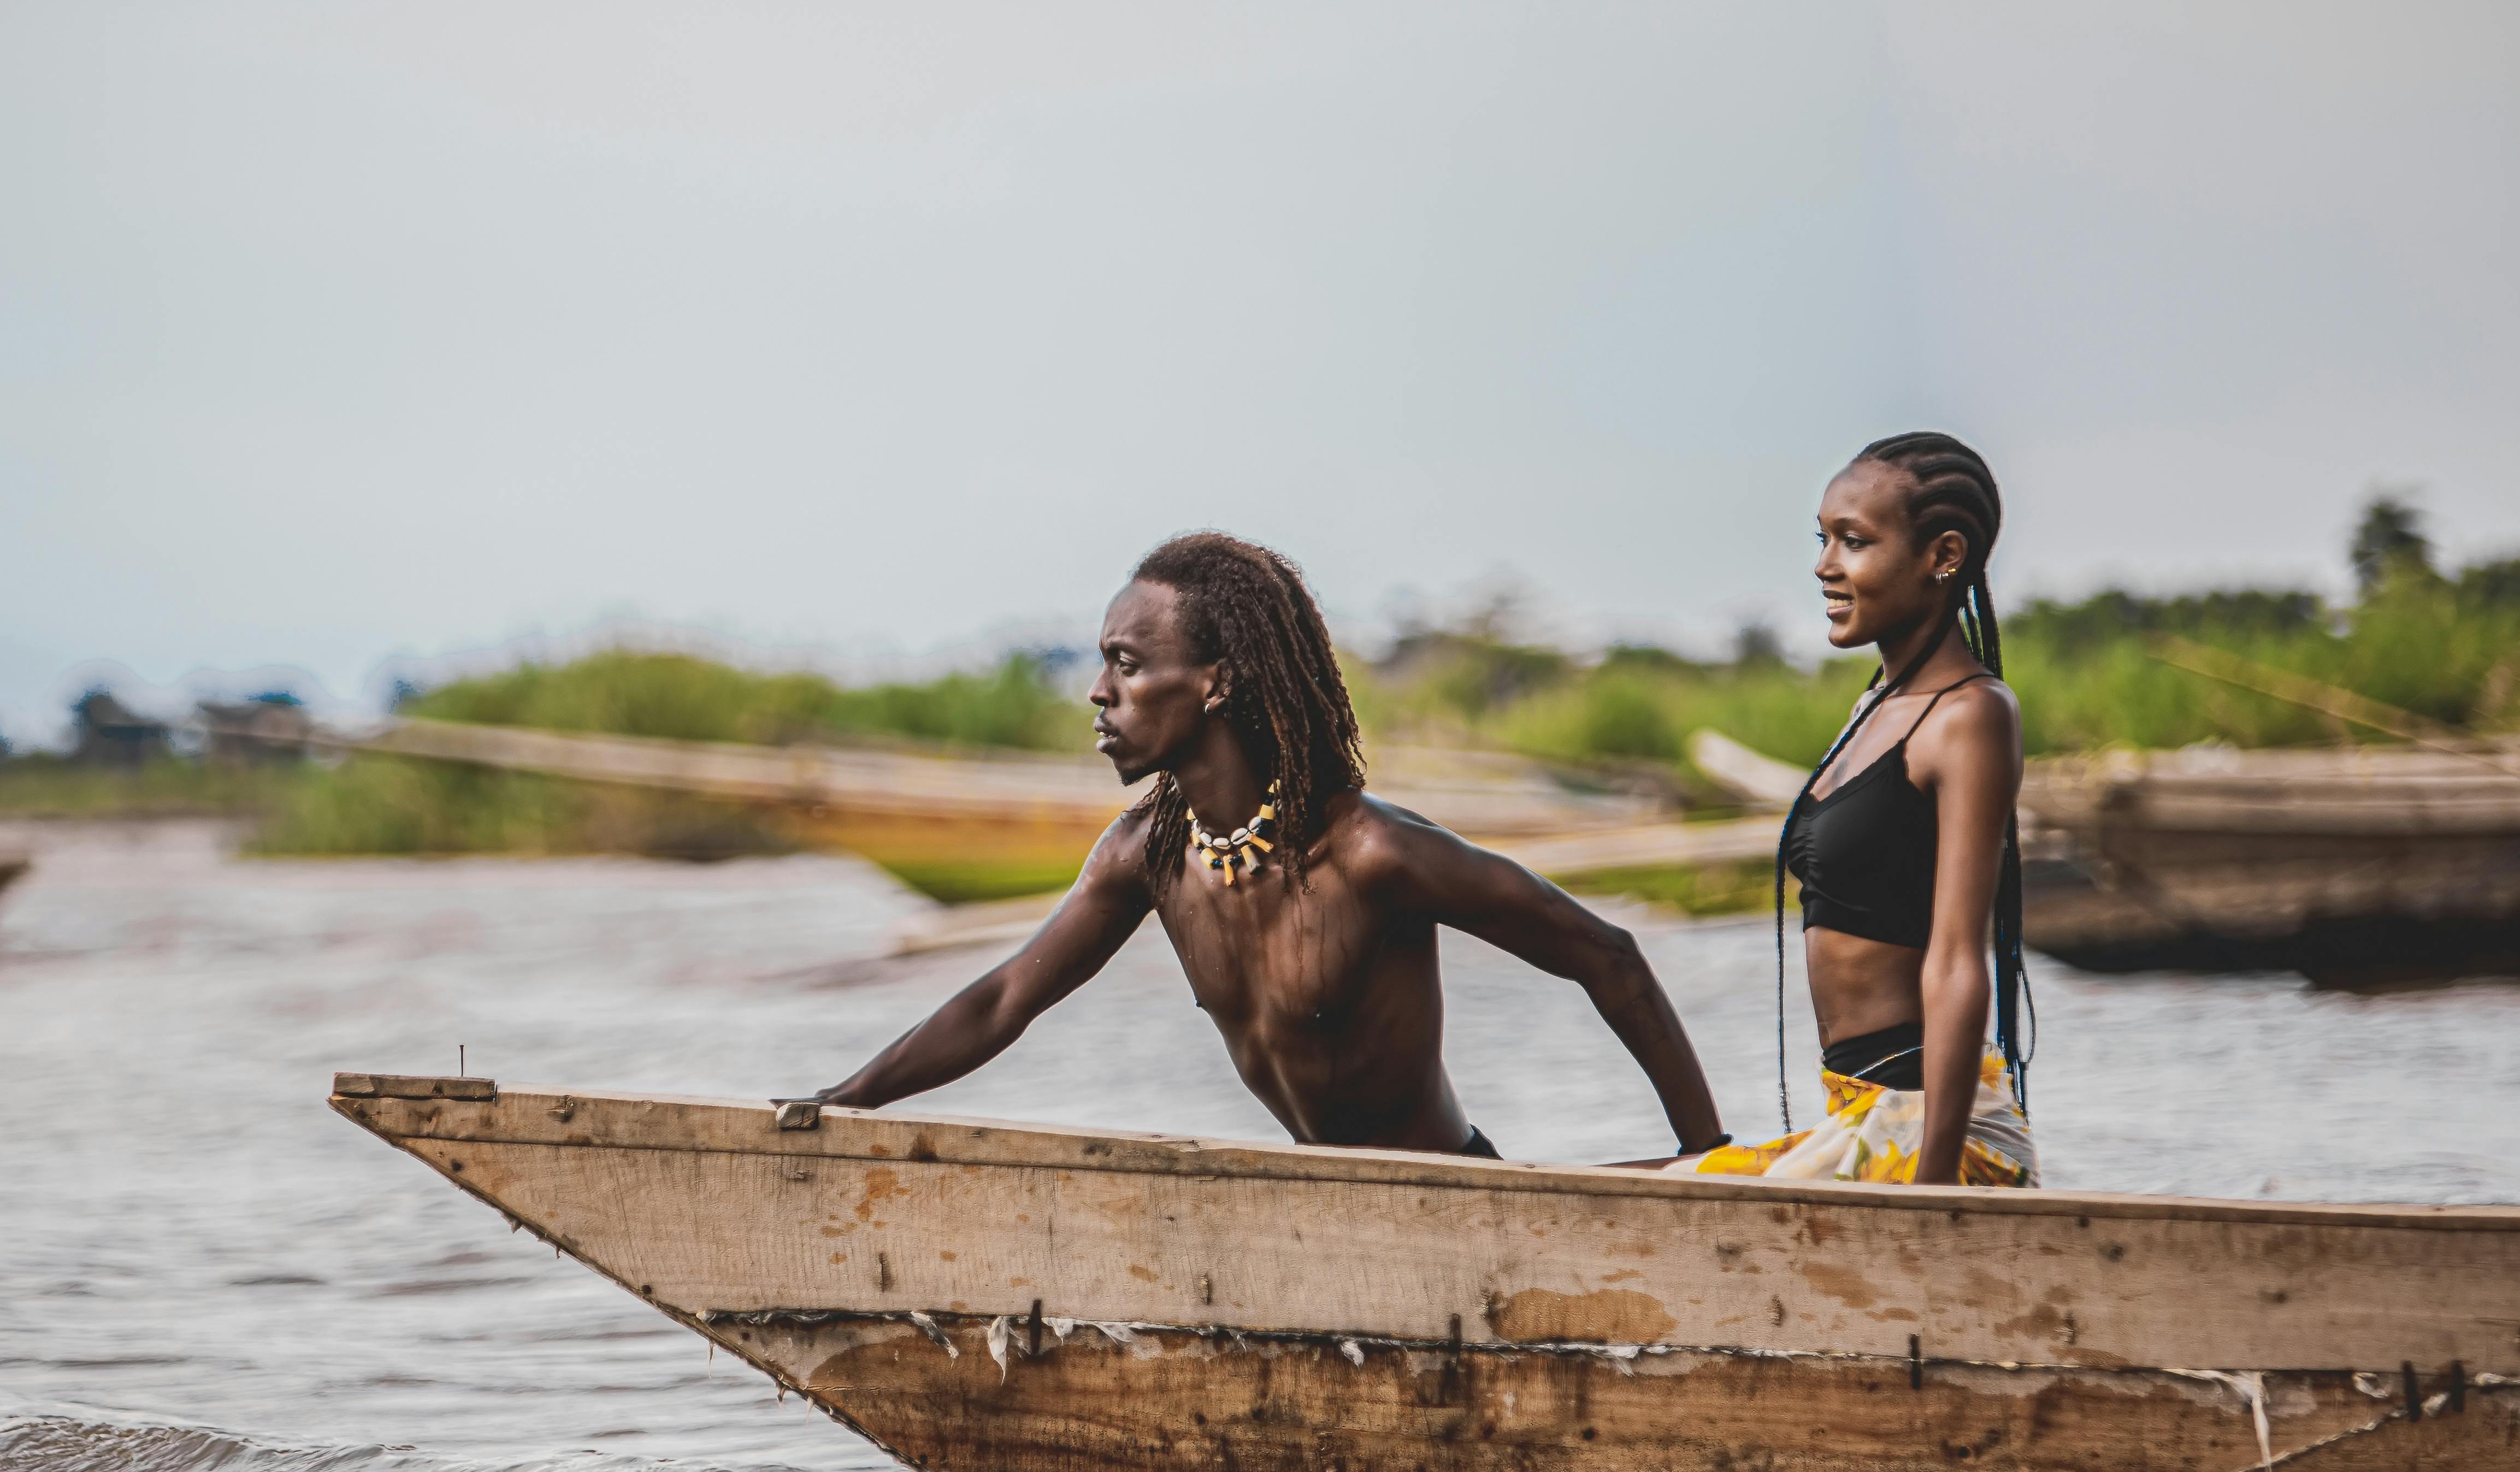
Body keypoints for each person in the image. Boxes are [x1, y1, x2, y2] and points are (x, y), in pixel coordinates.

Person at [817, 532, 1727, 1160]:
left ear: (1215, 684)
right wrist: (846, 1103)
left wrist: (1706, 1159)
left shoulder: (1373, 854)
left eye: (1127, 665)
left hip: (1450, 1199)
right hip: (1315, 1210)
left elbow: (1607, 956)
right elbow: (1004, 1000)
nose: (1098, 692)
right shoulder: (1148, 853)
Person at [1679, 432, 2037, 1187]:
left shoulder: (1969, 715)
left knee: (1645, 1201)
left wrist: (1933, 1192)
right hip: (1862, 1116)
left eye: (1854, 541)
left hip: (1931, 1129)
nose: (1825, 566)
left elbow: (1957, 958)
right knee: (1631, 1182)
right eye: (1823, 539)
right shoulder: (1874, 706)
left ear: (1943, 556)